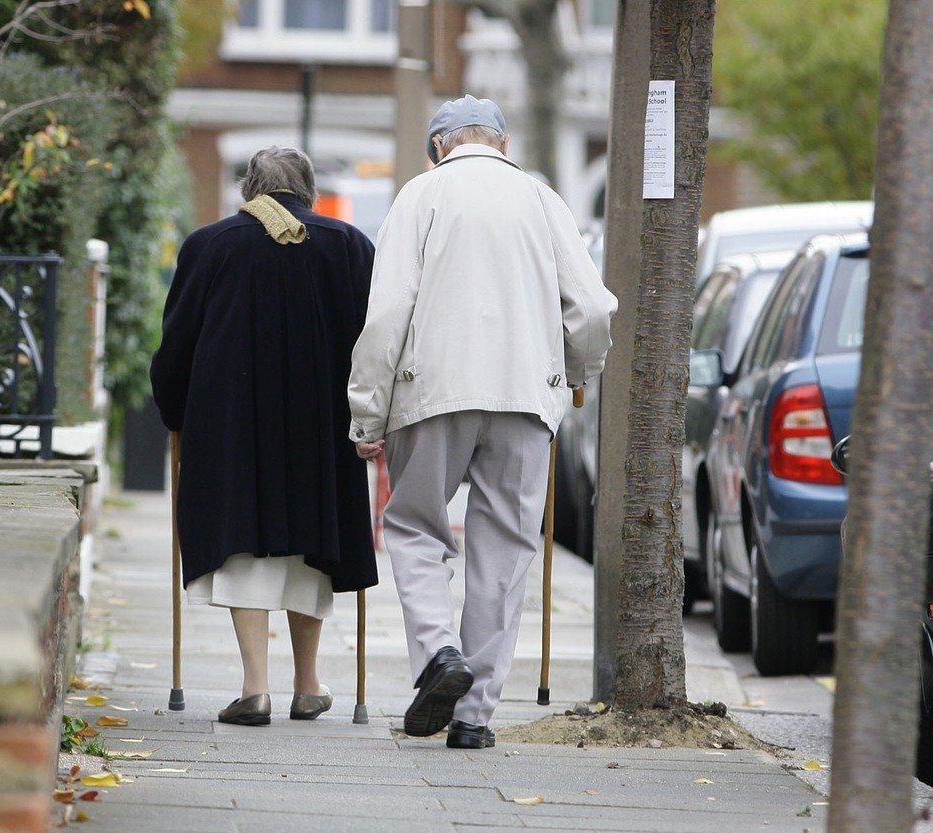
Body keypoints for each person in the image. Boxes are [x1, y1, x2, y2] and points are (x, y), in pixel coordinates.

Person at [348, 95, 617, 749]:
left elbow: (387, 314)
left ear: (439, 145)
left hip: (433, 392)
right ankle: (473, 717)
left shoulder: (420, 196)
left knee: (413, 526)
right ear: (501, 144)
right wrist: (577, 375)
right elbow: (591, 308)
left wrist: (366, 411)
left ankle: (440, 652)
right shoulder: (543, 200)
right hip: (524, 395)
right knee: (504, 551)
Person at [151, 146, 378, 727]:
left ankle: (254, 688)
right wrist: (375, 415)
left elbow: (176, 343)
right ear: (305, 191)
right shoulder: (349, 246)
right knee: (313, 545)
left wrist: (174, 410)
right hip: (321, 425)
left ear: (248, 190)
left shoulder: (209, 246)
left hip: (232, 422)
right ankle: (308, 684)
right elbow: (374, 339)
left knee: (244, 542)